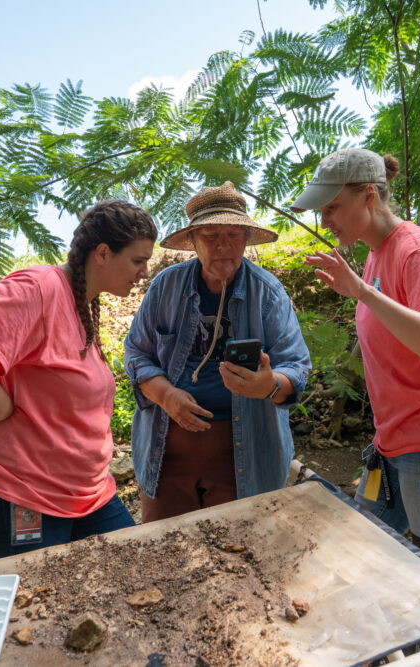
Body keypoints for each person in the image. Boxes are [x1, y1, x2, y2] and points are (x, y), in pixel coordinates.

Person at [0, 200, 157, 561]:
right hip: (24, 494)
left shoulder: (83, 303)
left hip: (88, 494)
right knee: (35, 611)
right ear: (104, 253)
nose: (145, 272)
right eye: (138, 261)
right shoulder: (40, 287)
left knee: (132, 572)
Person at [296, 148, 420, 550]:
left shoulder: (416, 251)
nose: (325, 221)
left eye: (333, 207)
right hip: (394, 445)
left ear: (369, 195)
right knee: (361, 549)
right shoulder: (375, 255)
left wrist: (363, 293)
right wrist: (363, 289)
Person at [124, 181, 311, 522]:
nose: (223, 245)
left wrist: (268, 386)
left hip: (246, 460)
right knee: (167, 554)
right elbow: (137, 352)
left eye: (233, 235)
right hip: (167, 460)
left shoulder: (267, 294)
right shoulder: (166, 287)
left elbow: (296, 365)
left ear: (245, 240)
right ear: (193, 241)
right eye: (211, 235)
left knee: (241, 557)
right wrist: (166, 395)